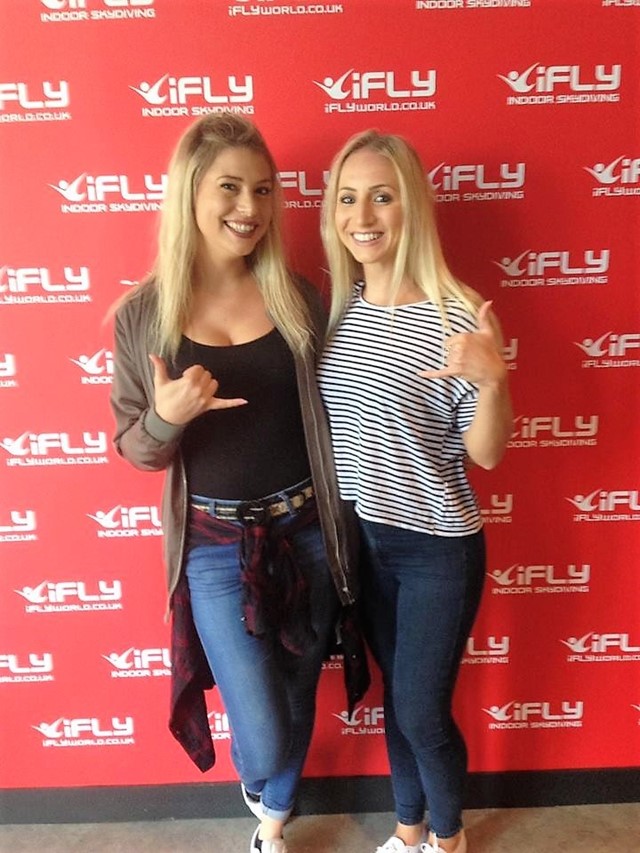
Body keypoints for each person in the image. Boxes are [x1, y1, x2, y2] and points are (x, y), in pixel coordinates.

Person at [109, 113, 368, 853]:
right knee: (262, 717)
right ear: (190, 193)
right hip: (217, 545)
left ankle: (273, 824)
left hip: (309, 530)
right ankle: (265, 792)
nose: (249, 207)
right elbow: (136, 448)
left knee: (295, 690)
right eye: (230, 187)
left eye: (263, 188)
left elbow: (345, 405)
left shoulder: (297, 296)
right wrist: (165, 417)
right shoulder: (142, 317)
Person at [317, 130, 513, 853]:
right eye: (347, 197)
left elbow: (486, 454)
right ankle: (407, 832)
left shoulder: (456, 317)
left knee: (422, 709)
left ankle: (449, 839)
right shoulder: (336, 315)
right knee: (396, 701)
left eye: (381, 195)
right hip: (362, 542)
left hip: (437, 547)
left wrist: (494, 378)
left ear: (412, 207)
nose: (361, 214)